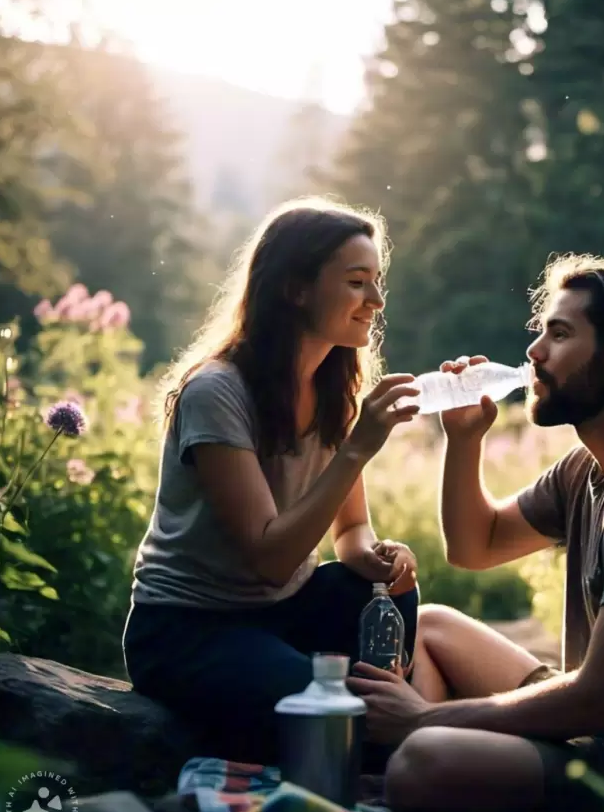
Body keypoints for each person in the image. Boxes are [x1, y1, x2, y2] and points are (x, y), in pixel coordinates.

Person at [348, 253, 604, 812]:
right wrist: (464, 440)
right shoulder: (586, 468)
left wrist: (424, 720)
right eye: (541, 332)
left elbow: (598, 698)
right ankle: (450, 755)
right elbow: (475, 545)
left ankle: (433, 754)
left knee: (421, 761)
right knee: (434, 625)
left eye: (559, 335)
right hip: (594, 726)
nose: (535, 353)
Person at [122, 197, 425, 765]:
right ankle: (356, 738)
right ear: (296, 289)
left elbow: (351, 527)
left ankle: (379, 727)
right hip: (191, 629)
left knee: (380, 595)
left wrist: (377, 556)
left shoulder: (334, 386)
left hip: (281, 614)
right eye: (357, 282)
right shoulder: (217, 391)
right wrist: (358, 448)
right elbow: (269, 558)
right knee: (334, 718)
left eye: (377, 282)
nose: (376, 302)